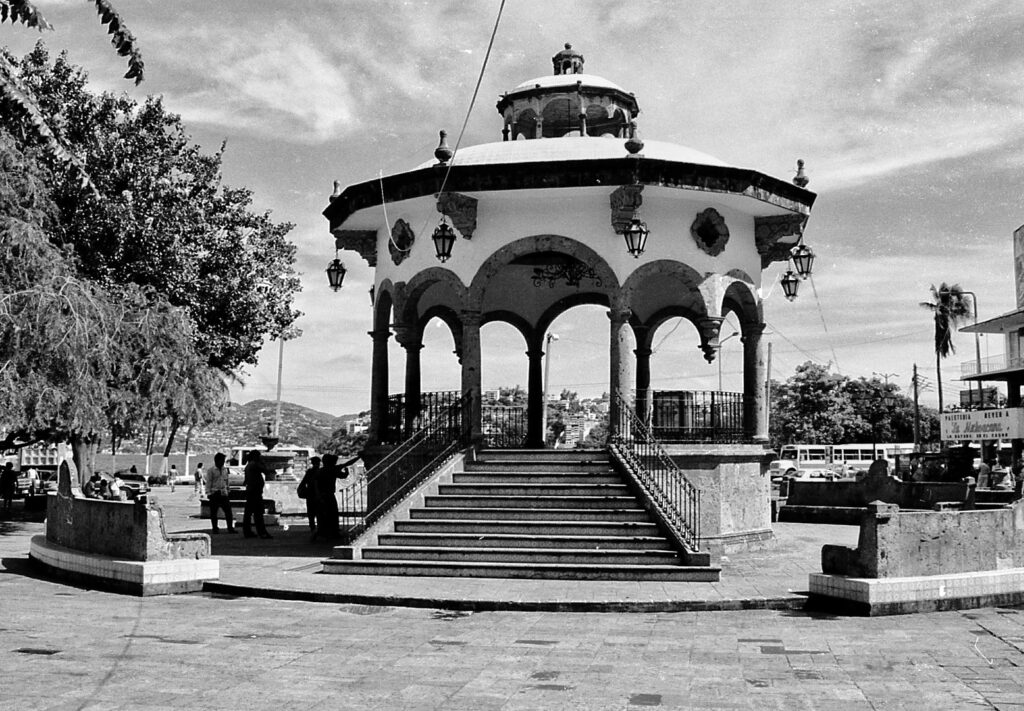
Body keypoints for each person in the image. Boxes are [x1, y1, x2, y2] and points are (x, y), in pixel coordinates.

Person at [315, 454, 357, 541]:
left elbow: (316, 485)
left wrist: (318, 495)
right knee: (332, 514)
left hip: (321, 495)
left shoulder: (320, 471)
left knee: (323, 515)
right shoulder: (333, 469)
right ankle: (333, 532)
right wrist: (358, 457)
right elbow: (347, 466)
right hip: (329, 495)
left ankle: (323, 532)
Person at [242, 449, 271, 539]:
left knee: (248, 513)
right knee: (258, 513)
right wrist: (263, 462)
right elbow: (266, 471)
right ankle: (262, 532)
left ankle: (247, 531)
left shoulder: (248, 466)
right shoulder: (254, 465)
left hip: (251, 490)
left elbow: (245, 481)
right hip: (255, 492)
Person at [204, 453, 235, 534]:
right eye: (221, 461)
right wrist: (209, 493)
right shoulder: (211, 470)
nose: (222, 462)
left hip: (224, 493)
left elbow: (226, 480)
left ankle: (230, 527)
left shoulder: (225, 470)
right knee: (214, 512)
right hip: (215, 493)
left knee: (228, 512)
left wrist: (228, 490)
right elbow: (209, 482)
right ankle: (215, 528)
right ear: (216, 461)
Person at [298, 457, 320, 541]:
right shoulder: (320, 471)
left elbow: (303, 482)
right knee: (319, 513)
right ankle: (318, 529)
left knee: (311, 513)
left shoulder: (309, 472)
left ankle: (312, 528)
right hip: (318, 494)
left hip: (310, 495)